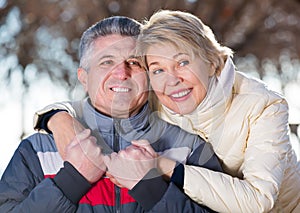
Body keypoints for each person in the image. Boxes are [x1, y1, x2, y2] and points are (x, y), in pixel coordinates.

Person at [34, 10, 300, 213]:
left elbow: (258, 201)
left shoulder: (263, 106)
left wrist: (161, 166)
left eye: (183, 62)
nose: (172, 80)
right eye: (158, 69)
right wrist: (57, 117)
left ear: (210, 62)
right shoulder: (159, 97)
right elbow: (105, 98)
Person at [0, 16, 223, 212]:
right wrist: (71, 181)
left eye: (134, 63)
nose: (121, 72)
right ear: (84, 78)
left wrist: (149, 188)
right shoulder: (36, 151)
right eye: (106, 62)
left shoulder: (190, 148)